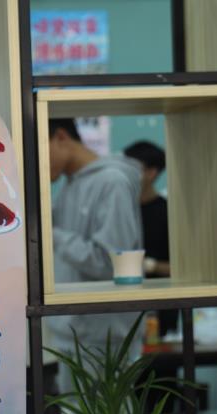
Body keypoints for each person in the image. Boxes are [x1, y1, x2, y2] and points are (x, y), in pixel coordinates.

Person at [45, 118, 143, 392]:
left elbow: (111, 263)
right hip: (75, 332)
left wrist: (51, 234)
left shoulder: (112, 181)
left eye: (37, 150)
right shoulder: (70, 186)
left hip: (104, 336)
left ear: (61, 137)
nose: (34, 162)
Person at [123, 141, 178, 337]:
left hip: (160, 310)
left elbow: (186, 269)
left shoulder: (169, 213)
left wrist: (149, 266)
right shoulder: (120, 211)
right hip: (122, 308)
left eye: (131, 168)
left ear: (151, 173)